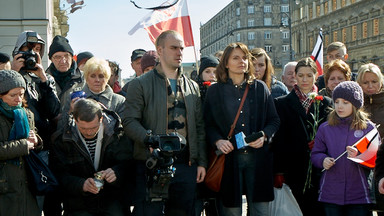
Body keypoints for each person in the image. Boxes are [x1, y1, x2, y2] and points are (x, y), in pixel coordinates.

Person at [121, 30, 207, 216]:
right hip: (151, 164)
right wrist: (150, 140)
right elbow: (129, 121)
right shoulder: (140, 84)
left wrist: (201, 162)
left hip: (186, 165)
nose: (179, 52)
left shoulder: (192, 86)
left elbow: (199, 127)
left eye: (181, 48)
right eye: (173, 48)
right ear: (159, 50)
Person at [204, 42, 280, 215]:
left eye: (245, 58)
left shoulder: (260, 88)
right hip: (229, 160)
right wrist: (218, 140)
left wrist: (265, 136)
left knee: (260, 211)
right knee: (231, 211)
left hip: (258, 159)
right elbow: (207, 124)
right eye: (236, 58)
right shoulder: (215, 91)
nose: (242, 62)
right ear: (225, 63)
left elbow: (274, 120)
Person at [272, 57, 332, 216]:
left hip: (320, 171)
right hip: (293, 170)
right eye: (300, 75)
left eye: (309, 75)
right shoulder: (281, 103)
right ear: (295, 77)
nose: (304, 80)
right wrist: (278, 171)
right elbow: (277, 141)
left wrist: (321, 144)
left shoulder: (327, 103)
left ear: (316, 75)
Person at [51, 98, 128, 216]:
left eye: (93, 128)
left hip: (112, 202)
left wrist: (116, 172)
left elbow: (129, 164)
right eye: (83, 128)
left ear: (101, 119)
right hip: (78, 205)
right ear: (75, 120)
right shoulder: (62, 140)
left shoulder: (117, 133)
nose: (89, 132)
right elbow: (59, 175)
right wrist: (81, 184)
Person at [311, 81, 376, 216]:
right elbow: (316, 153)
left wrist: (359, 156)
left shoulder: (368, 128)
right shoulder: (325, 128)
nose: (340, 106)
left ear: (356, 105)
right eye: (337, 101)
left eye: (345, 103)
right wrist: (323, 160)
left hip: (358, 195)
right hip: (331, 194)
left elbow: (376, 160)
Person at [0, 70, 42, 216]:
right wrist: (24, 145)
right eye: (13, 95)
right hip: (4, 186)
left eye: (21, 94)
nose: (18, 99)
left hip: (27, 185)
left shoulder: (27, 114)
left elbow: (34, 139)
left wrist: (36, 141)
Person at [356, 63, 384, 215]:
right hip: (361, 163)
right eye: (365, 82)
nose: (370, 86)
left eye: (374, 81)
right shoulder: (355, 105)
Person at [46, 35, 85, 112]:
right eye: (57, 57)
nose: (63, 61)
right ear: (51, 59)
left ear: (72, 57)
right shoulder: (43, 79)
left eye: (66, 56)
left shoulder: (85, 78)